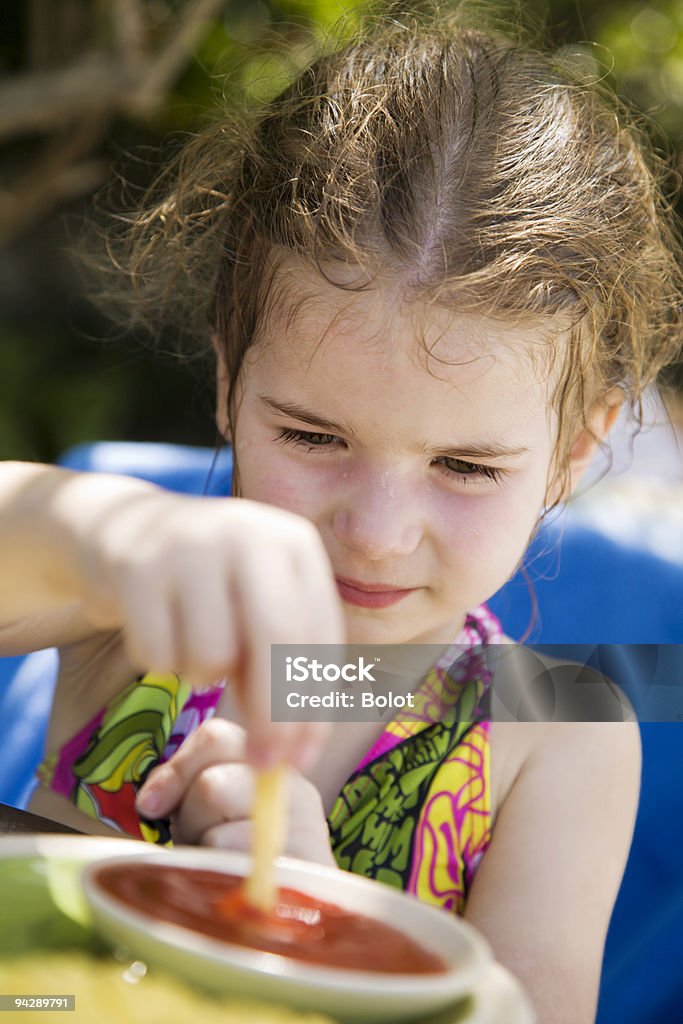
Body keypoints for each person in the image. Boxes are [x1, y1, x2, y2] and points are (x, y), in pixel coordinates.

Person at [2, 6, 681, 1021]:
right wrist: (101, 537)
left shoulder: (557, 733)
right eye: (313, 439)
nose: (375, 530)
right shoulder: (141, 606)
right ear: (230, 380)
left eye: (461, 465)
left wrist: (332, 928)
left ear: (572, 451)